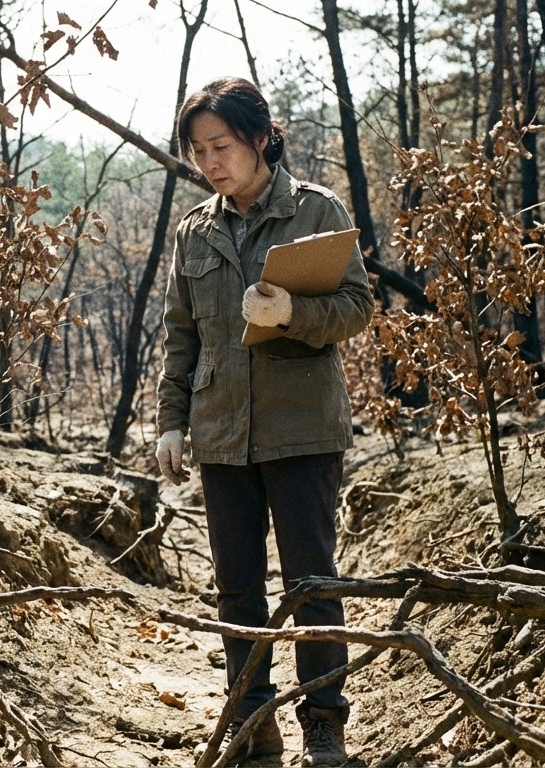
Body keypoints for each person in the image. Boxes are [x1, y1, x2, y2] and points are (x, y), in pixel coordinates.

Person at [154, 77, 373, 767]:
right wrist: (169, 422)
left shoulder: (317, 210)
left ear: (258, 137)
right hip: (220, 434)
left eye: (221, 145)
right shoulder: (194, 230)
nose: (210, 161)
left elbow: (359, 308)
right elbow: (179, 336)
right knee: (238, 585)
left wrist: (294, 316)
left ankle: (325, 726)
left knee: (313, 580)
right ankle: (251, 724)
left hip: (303, 427)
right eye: (198, 150)